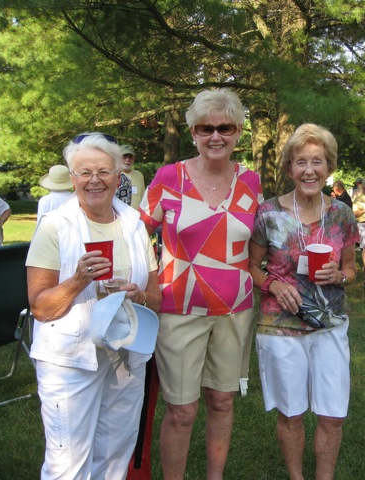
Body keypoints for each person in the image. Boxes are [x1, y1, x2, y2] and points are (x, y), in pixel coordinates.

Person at [139, 88, 263, 479]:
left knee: (223, 401)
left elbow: (259, 243)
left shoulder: (252, 182)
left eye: (225, 127)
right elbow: (136, 233)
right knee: (181, 409)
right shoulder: (168, 177)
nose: (215, 136)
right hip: (178, 309)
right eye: (205, 128)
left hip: (235, 311)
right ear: (193, 132)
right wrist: (146, 283)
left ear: (238, 131)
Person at [26, 132, 161, 479]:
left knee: (115, 457)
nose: (94, 180)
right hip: (70, 359)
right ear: (72, 179)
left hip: (124, 356)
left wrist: (137, 295)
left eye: (103, 171)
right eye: (84, 172)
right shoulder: (55, 226)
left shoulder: (133, 223)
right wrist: (77, 280)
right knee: (67, 464)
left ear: (119, 176)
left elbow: (156, 295)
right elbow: (41, 308)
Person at [248, 123, 359, 480]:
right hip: (280, 325)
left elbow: (352, 269)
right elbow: (250, 266)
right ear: (289, 168)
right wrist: (273, 286)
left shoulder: (341, 214)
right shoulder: (268, 213)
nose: (309, 170)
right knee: (291, 412)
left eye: (317, 162)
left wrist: (339, 276)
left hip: (329, 325)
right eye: (300, 162)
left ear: (329, 168)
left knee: (333, 414)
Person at [119, 144, 146, 210]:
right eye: (124, 156)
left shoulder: (139, 175)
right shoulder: (114, 175)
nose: (127, 160)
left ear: (134, 159)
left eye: (130, 157)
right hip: (119, 216)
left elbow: (144, 198)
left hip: (137, 217)